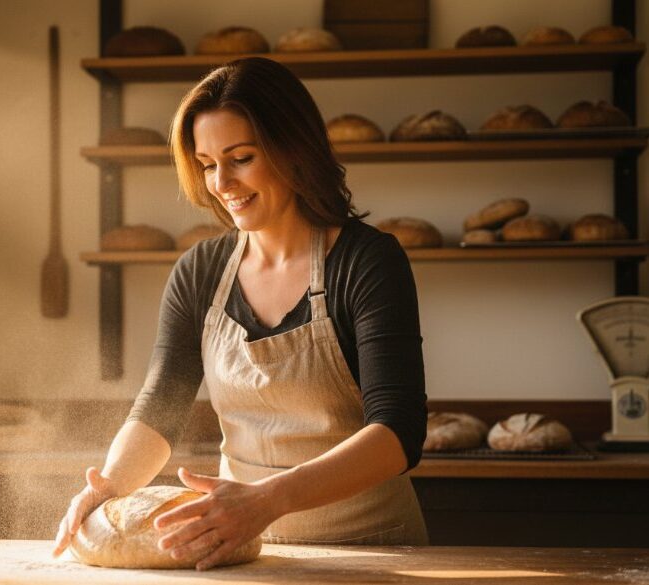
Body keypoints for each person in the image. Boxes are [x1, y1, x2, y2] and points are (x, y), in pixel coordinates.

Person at [53, 56, 428, 570]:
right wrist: (109, 485)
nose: (222, 182)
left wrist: (268, 500)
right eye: (208, 164)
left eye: (242, 158)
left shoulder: (367, 262)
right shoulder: (200, 272)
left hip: (373, 550)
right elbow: (161, 407)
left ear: (294, 148)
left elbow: (398, 433)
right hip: (238, 552)